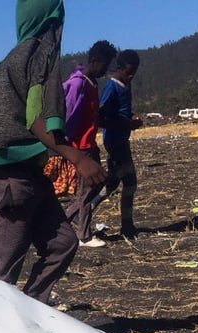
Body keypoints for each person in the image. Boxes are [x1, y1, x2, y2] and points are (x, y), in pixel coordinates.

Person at [0, 0, 106, 306]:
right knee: (3, 272)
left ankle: (32, 310)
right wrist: (78, 157)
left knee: (63, 243)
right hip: (14, 183)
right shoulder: (39, 55)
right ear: (52, 21)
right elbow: (36, 119)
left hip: (32, 177)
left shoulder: (8, 64)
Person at [63, 40, 118, 248]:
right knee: (87, 192)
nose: (106, 70)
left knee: (95, 186)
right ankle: (82, 235)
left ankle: (69, 223)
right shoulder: (79, 83)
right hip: (80, 146)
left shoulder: (92, 82)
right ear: (95, 61)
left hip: (89, 142)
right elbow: (68, 113)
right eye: (105, 64)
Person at [95, 49, 143, 240]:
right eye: (128, 72)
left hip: (122, 140)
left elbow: (122, 112)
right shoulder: (111, 87)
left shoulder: (126, 85)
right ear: (120, 68)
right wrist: (125, 124)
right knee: (129, 182)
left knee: (112, 184)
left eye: (134, 73)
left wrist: (131, 119)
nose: (131, 76)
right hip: (114, 142)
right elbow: (100, 118)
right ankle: (127, 225)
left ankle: (81, 213)